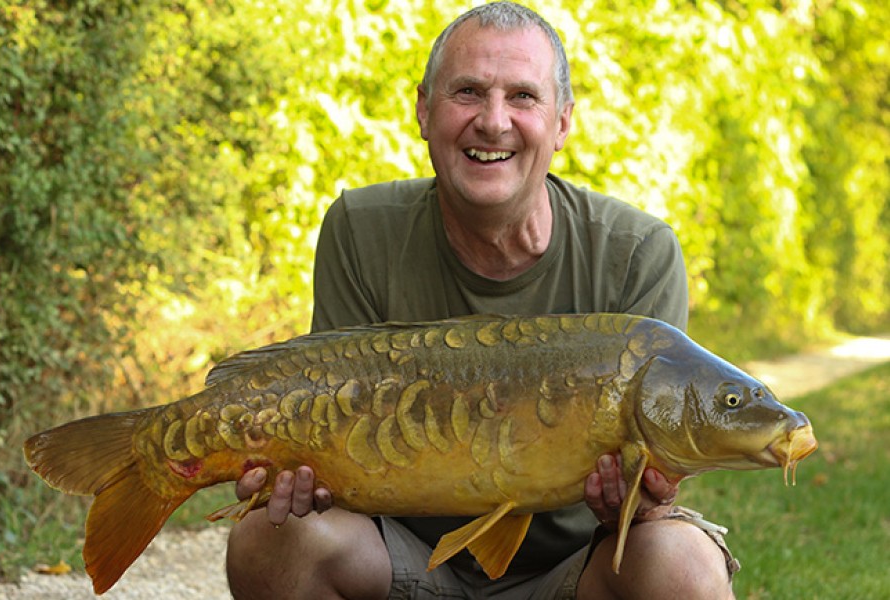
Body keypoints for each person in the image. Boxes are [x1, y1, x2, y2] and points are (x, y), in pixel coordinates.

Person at [226, 2, 738, 598]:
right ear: (423, 109)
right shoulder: (360, 229)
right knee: (269, 537)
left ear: (563, 123)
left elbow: (651, 486)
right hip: (398, 560)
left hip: (576, 574)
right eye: (468, 91)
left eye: (523, 97)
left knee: (680, 561)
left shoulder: (637, 253)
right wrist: (300, 470)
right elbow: (328, 440)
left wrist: (642, 502)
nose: (493, 122)